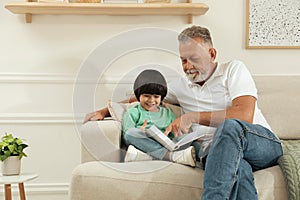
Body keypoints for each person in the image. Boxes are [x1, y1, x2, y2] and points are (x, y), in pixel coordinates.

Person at [83, 25, 283, 200]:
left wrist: (193, 117)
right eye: (183, 60)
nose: (188, 67)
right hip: (216, 152)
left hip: (259, 143)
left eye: (193, 59)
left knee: (229, 127)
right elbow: (145, 94)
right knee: (239, 169)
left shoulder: (233, 70)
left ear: (212, 54)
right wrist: (105, 110)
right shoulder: (181, 86)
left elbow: (244, 115)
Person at [122, 69, 196, 167]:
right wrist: (140, 131)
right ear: (138, 95)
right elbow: (127, 134)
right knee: (131, 133)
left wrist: (188, 136)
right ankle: (170, 156)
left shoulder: (167, 113)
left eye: (156, 96)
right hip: (146, 143)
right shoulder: (133, 112)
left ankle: (151, 156)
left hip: (167, 143)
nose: (151, 100)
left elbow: (176, 133)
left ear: (161, 97)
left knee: (191, 140)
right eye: (146, 96)